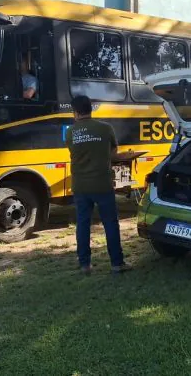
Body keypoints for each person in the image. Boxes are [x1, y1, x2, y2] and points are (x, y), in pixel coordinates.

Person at [65, 95, 130, 275]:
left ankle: (85, 264)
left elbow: (74, 152)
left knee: (83, 224)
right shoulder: (105, 128)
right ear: (91, 109)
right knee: (110, 223)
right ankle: (117, 263)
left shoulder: (71, 132)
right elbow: (113, 153)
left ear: (75, 112)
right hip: (102, 184)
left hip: (80, 186)